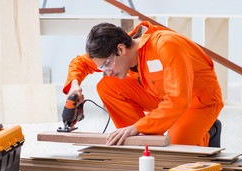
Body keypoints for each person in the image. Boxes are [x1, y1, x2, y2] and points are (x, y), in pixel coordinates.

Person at [63, 21, 223, 147]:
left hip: (198, 102)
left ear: (121, 50)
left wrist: (137, 127)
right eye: (102, 67)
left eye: (106, 65)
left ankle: (207, 134)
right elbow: (80, 63)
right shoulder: (117, 51)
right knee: (107, 85)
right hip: (162, 97)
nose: (107, 71)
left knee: (173, 152)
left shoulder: (167, 45)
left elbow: (178, 100)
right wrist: (75, 85)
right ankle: (140, 141)